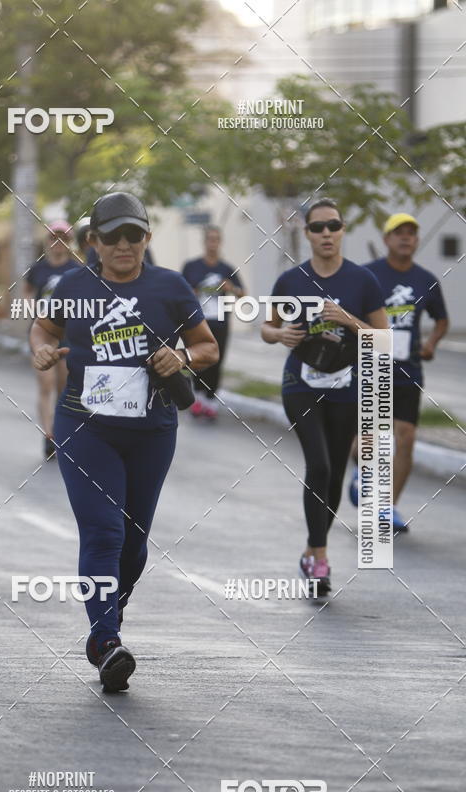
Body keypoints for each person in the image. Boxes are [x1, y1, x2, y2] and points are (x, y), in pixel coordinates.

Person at [30, 191, 218, 692]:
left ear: (147, 238)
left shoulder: (170, 286)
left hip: (152, 432)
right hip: (85, 427)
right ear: (93, 242)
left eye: (134, 235)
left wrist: (182, 357)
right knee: (104, 533)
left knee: (133, 547)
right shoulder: (72, 285)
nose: (123, 245)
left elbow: (207, 346)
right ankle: (106, 641)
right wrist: (45, 351)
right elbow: (41, 329)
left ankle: (106, 613)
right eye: (112, 236)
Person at [261, 198, 387, 596]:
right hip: (301, 385)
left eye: (333, 225)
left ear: (343, 229)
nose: (326, 233)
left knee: (333, 474)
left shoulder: (362, 281)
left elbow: (383, 340)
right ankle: (319, 555)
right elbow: (268, 327)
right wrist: (281, 335)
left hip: (347, 387)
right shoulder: (291, 281)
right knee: (318, 465)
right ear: (307, 233)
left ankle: (311, 549)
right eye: (318, 227)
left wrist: (347, 319)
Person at [347, 213, 450, 531]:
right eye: (399, 233)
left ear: (417, 241)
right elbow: (346, 314)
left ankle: (387, 507)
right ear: (386, 239)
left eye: (411, 234)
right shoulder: (367, 275)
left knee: (405, 437)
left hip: (409, 371)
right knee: (365, 441)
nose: (406, 238)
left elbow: (441, 319)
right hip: (371, 368)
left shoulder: (426, 280)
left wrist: (431, 342)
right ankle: (362, 472)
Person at [25, 221, 80, 459]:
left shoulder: (77, 269)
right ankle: (48, 436)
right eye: (53, 239)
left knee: (63, 387)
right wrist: (32, 311)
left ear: (69, 243)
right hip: (44, 333)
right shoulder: (38, 269)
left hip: (68, 333)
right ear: (47, 242)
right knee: (45, 384)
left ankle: (60, 430)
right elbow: (27, 291)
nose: (58, 244)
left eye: (63, 239)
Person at [182, 226, 244, 420]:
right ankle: (198, 397)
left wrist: (231, 287)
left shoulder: (226, 269)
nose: (213, 243)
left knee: (216, 361)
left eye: (216, 239)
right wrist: (193, 292)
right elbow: (179, 291)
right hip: (197, 322)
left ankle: (211, 400)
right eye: (210, 239)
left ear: (220, 242)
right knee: (197, 360)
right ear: (204, 242)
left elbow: (243, 294)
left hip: (220, 322)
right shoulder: (191, 267)